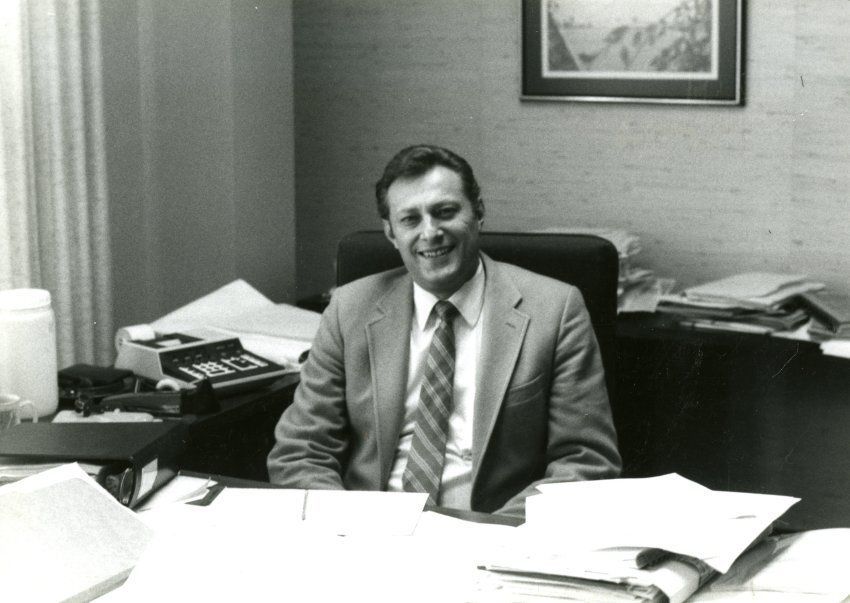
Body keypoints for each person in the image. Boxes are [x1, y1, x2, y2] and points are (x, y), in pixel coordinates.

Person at [267, 144, 621, 518]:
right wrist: (349, 524)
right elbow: (300, 451)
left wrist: (492, 534)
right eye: (410, 219)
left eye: (445, 212)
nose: (431, 232)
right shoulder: (348, 309)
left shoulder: (556, 310)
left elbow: (585, 461)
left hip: (494, 532)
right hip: (369, 531)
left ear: (478, 212)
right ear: (391, 232)